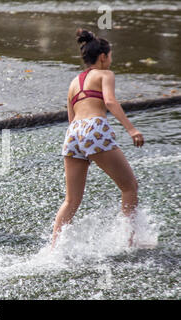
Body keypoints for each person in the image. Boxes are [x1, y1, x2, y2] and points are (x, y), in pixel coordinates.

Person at [52, 29, 144, 247]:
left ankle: (54, 248)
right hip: (94, 127)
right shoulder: (106, 74)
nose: (111, 60)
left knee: (71, 199)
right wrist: (131, 130)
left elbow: (71, 118)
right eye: (110, 56)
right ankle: (129, 243)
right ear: (103, 57)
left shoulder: (74, 82)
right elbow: (110, 102)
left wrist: (86, 147)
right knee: (130, 187)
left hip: (73, 133)